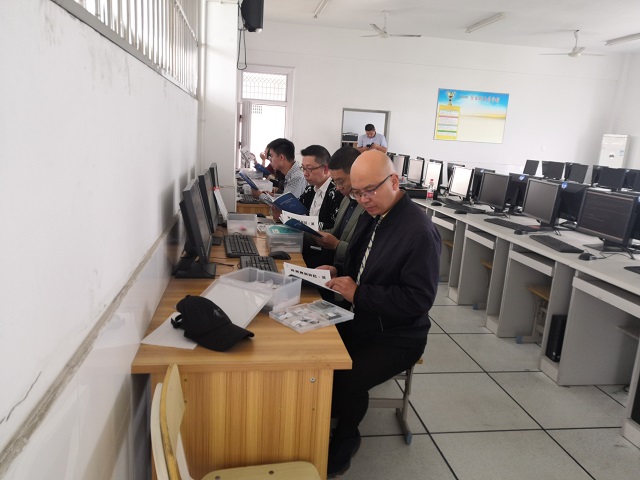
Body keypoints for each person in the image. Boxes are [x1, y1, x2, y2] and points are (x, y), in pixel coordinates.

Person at [322, 150, 441, 478]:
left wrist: (359, 294)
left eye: (370, 191)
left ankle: (347, 437)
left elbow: (418, 300)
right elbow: (361, 264)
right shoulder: (373, 213)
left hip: (399, 335)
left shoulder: (418, 231)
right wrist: (338, 272)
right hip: (364, 317)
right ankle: (323, 412)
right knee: (318, 350)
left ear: (394, 181)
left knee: (348, 377)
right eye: (357, 193)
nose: (363, 199)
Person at [313, 146, 365, 274]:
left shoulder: (369, 206)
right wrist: (310, 232)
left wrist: (337, 245)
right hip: (337, 268)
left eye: (341, 181)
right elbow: (336, 232)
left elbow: (367, 253)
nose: (337, 187)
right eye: (335, 182)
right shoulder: (346, 199)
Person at [298, 145, 344, 268]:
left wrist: (305, 224)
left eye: (309, 169)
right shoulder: (309, 190)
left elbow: (335, 229)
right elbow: (298, 211)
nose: (305, 174)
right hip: (306, 247)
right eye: (303, 168)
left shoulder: (337, 192)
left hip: (325, 258)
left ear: (326, 168)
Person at [251, 138, 306, 205]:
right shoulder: (290, 174)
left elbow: (285, 204)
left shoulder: (297, 177)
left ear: (281, 157)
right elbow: (285, 197)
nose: (270, 159)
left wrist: (260, 195)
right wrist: (272, 195)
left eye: (271, 156)